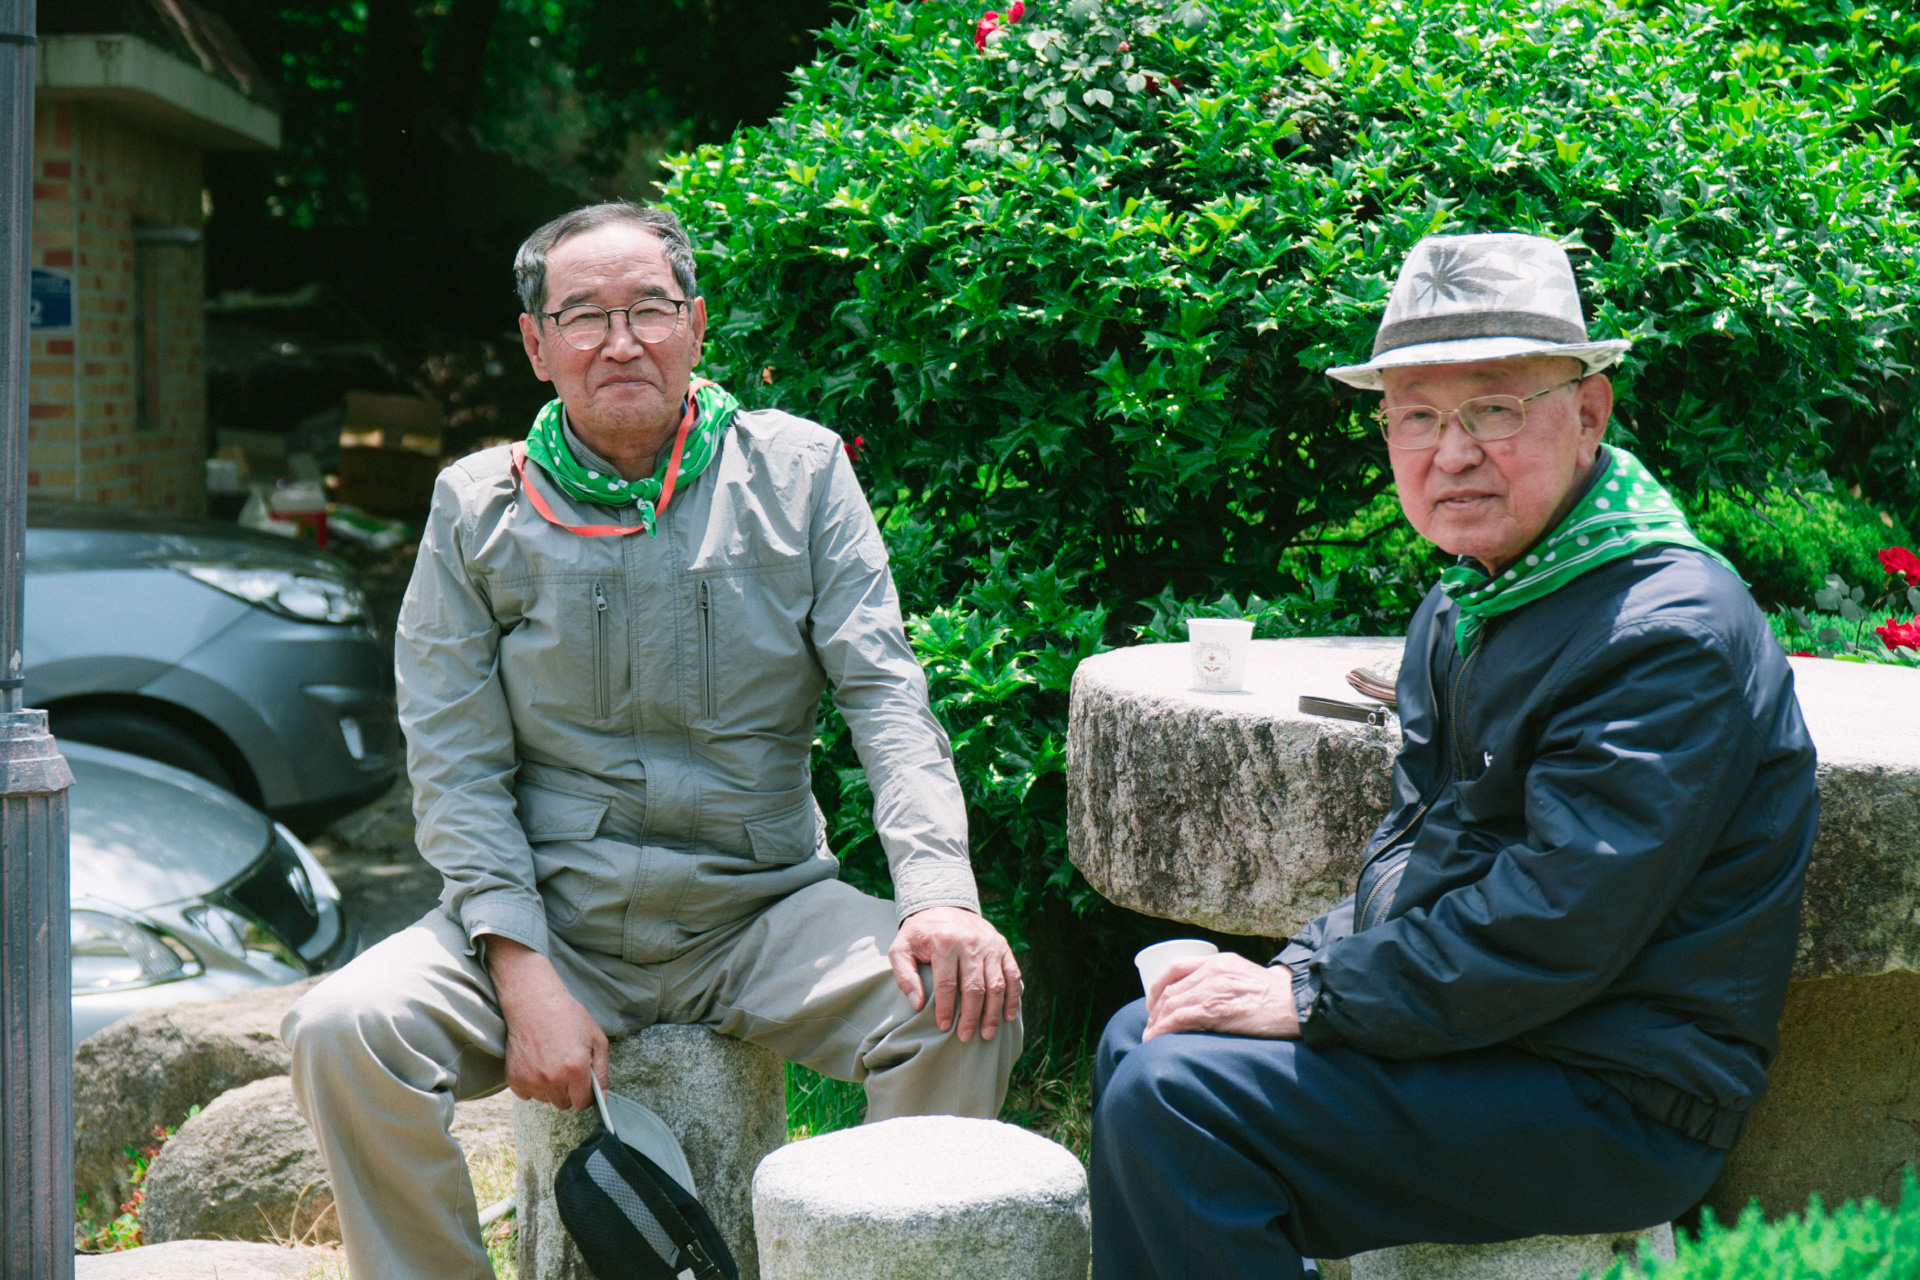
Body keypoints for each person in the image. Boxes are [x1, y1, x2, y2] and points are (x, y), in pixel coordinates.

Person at [282, 202, 1022, 1280]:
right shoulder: (477, 507)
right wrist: (522, 969)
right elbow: (454, 762)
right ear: (537, 345)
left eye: (650, 310)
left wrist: (938, 894)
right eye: (583, 316)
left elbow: (887, 698)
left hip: (760, 907)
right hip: (555, 913)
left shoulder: (800, 473)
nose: (620, 341)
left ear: (697, 324)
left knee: (960, 1010)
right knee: (342, 1028)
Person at [1088, 232, 1818, 1280]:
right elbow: (1419, 855)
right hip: (1502, 1033)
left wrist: (1314, 1000)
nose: (1453, 451)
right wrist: (1290, 971)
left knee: (1180, 1101)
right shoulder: (1474, 596)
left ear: (1590, 412)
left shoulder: (1662, 632)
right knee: (1143, 1035)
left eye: (1494, 409)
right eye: (1417, 416)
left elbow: (1558, 918)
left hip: (1616, 1089)